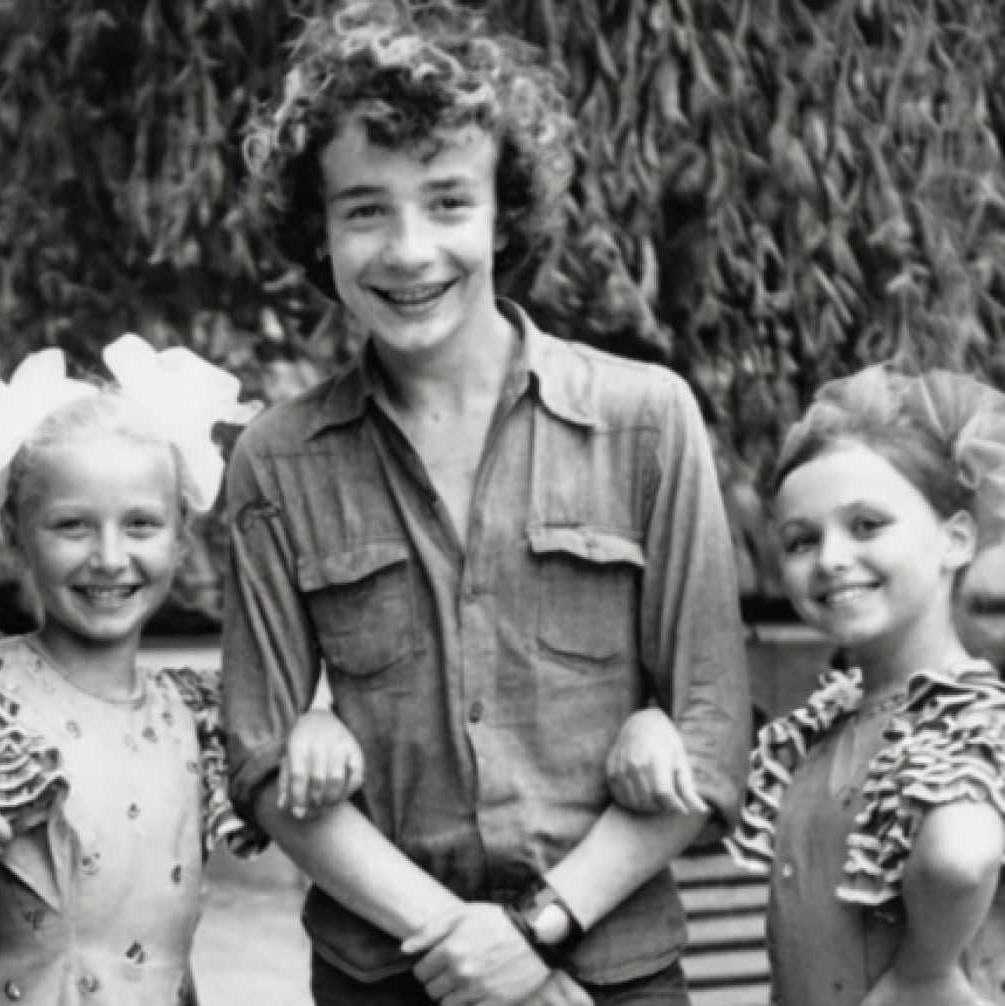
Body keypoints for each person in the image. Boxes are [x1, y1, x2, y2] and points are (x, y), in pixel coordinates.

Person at [224, 3, 754, 1004]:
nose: (409, 250)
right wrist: (471, 949)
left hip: (609, 972)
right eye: (365, 210)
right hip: (386, 973)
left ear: (502, 215)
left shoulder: (645, 421)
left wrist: (539, 929)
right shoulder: (277, 460)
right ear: (318, 232)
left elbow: (713, 732)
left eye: (448, 202)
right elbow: (260, 760)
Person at [0, 334, 368, 1005]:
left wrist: (320, 723)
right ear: (15, 533)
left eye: (140, 525)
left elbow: (285, 775)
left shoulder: (202, 719)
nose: (108, 557)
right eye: (72, 526)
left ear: (181, 535)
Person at [619, 366, 1005, 1006]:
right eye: (801, 540)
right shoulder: (828, 723)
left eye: (867, 525)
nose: (830, 559)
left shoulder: (973, 717)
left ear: (956, 539)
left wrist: (924, 970)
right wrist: (648, 723)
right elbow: (714, 809)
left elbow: (961, 858)